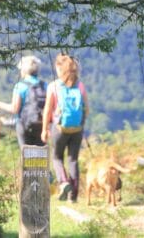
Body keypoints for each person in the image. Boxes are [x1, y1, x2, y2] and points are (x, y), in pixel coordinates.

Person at [41, 53, 89, 203]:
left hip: (59, 128)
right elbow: (86, 109)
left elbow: (48, 110)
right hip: (77, 128)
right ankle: (73, 197)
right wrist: (81, 124)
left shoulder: (53, 86)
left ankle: (64, 182)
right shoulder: (80, 85)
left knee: (56, 157)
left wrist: (44, 129)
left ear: (59, 67)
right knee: (73, 160)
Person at [0, 55, 46, 148]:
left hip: (24, 125)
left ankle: (29, 163)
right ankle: (38, 163)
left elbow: (14, 109)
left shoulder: (20, 86)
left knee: (27, 154)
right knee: (40, 155)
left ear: (24, 70)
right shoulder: (44, 85)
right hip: (41, 125)